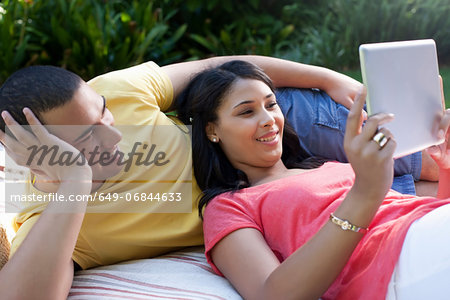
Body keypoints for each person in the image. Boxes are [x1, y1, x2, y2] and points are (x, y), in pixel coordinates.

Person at [0, 55, 365, 299]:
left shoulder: (119, 89)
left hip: (268, 125)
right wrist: (76, 180)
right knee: (402, 191)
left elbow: (220, 69)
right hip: (276, 199)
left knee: (416, 151)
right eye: (87, 137)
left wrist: (327, 78)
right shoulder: (53, 221)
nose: (113, 135)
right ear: (39, 161)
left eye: (104, 114)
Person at [175, 60, 450, 299]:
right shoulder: (227, 207)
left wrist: (445, 167)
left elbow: (409, 216)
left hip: (425, 232)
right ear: (212, 130)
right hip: (392, 261)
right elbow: (271, 294)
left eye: (271, 105)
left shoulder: (323, 165)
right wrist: (364, 194)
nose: (269, 119)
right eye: (247, 111)